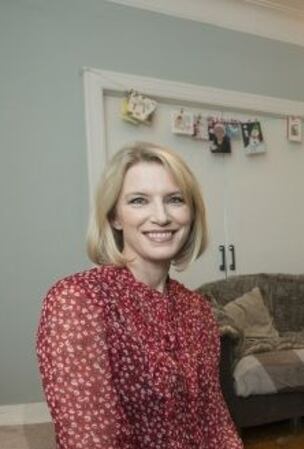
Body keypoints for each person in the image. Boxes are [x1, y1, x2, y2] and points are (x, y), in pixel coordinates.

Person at [36, 142, 243, 449]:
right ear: (114, 217)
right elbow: (91, 440)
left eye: (175, 200)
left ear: (191, 214)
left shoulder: (198, 309)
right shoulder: (77, 300)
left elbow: (215, 421)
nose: (161, 216)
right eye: (139, 201)